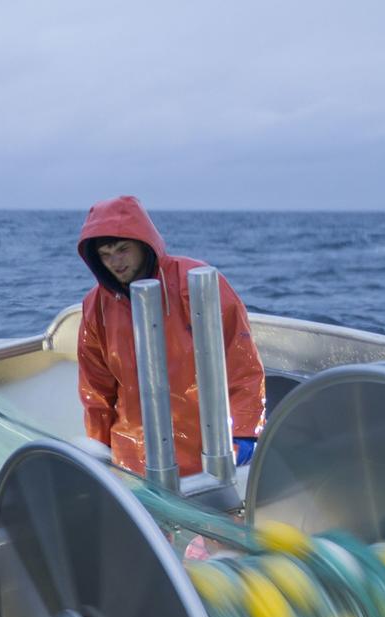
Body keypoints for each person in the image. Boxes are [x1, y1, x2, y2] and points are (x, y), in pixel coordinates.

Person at [76, 195, 266, 478]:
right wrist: (99, 447)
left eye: (123, 249)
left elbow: (242, 364)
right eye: (105, 255)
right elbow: (97, 391)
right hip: (132, 464)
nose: (115, 262)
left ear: (143, 242)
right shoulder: (96, 306)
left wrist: (245, 431)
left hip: (209, 455)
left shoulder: (195, 283)